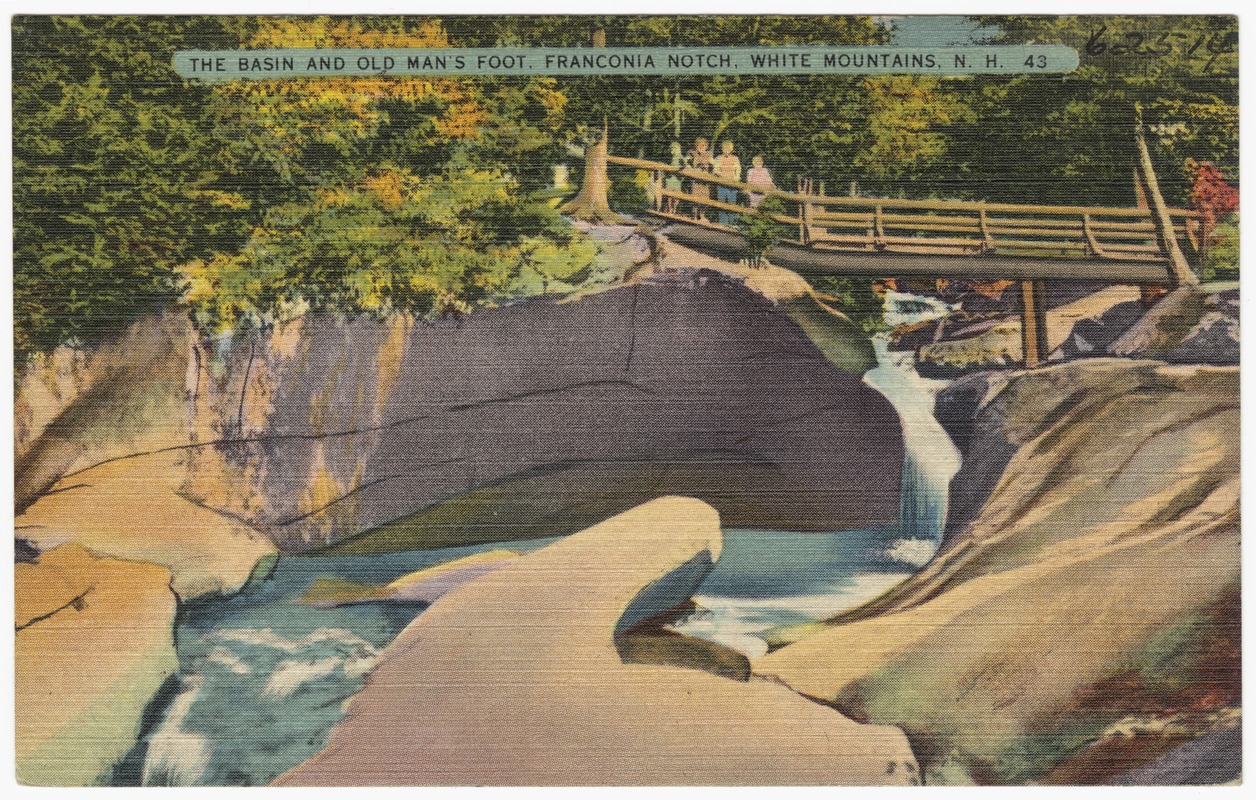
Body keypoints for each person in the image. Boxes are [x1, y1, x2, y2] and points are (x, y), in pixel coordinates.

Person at [712, 140, 742, 226]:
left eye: (729, 148)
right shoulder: (718, 158)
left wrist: (736, 177)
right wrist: (722, 175)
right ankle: (723, 223)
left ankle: (733, 223)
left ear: (732, 149)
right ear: (722, 149)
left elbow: (738, 169)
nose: (727, 149)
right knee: (722, 202)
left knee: (732, 202)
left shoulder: (735, 158)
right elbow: (715, 170)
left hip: (732, 184)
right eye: (725, 148)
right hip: (722, 183)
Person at [685, 137, 714, 221]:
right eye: (699, 145)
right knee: (695, 195)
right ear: (696, 146)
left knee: (705, 196)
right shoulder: (692, 153)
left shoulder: (708, 154)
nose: (701, 147)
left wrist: (712, 170)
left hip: (704, 179)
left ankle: (701, 215)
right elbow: (686, 162)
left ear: (706, 146)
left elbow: (714, 164)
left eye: (703, 145)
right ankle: (694, 214)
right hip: (696, 178)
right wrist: (689, 167)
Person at [663, 141, 684, 214]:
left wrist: (681, 170)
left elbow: (684, 164)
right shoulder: (670, 157)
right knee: (669, 193)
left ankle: (674, 208)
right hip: (670, 178)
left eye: (675, 148)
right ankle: (670, 208)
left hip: (677, 178)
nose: (673, 150)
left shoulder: (680, 156)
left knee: (676, 194)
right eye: (672, 148)